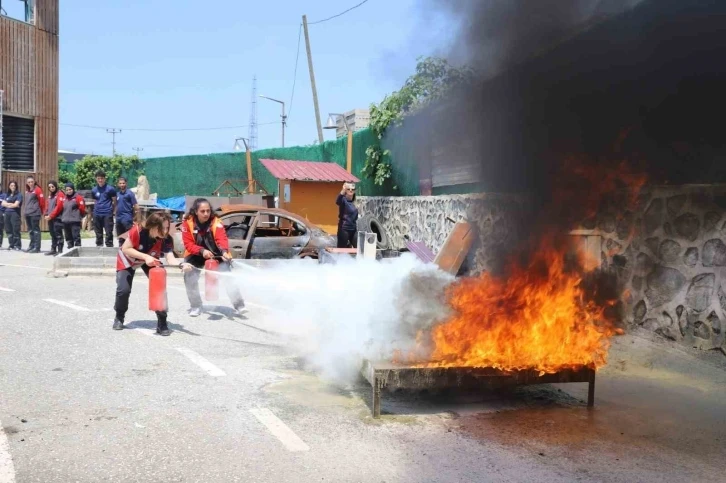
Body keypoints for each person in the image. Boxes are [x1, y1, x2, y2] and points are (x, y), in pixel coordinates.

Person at [114, 212, 192, 336]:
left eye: (167, 227)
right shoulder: (138, 231)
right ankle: (119, 316)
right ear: (153, 226)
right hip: (129, 258)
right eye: (163, 228)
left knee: (159, 286)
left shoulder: (166, 238)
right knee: (123, 290)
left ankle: (162, 322)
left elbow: (170, 258)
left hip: (150, 259)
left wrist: (181, 265)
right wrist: (145, 257)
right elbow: (126, 248)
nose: (166, 231)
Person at [181, 198, 247, 317]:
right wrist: (202, 251)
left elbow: (221, 239)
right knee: (189, 277)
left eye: (208, 211)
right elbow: (188, 244)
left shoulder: (216, 222)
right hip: (195, 254)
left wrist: (224, 252)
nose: (206, 214)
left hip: (217, 254)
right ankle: (195, 306)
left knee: (229, 278)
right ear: (196, 211)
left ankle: (239, 305)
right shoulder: (187, 223)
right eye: (202, 211)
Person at [49, 182, 86, 249]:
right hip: (65, 221)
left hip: (75, 221)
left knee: (76, 237)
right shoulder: (64, 198)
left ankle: (78, 251)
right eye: (67, 190)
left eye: (70, 189)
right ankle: (70, 251)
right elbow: (61, 208)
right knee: (68, 238)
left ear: (73, 189)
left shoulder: (78, 197)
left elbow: (82, 208)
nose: (69, 191)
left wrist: (79, 216)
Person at [91, 170, 117, 248]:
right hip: (97, 213)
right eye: (98, 178)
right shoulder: (94, 190)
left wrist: (114, 212)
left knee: (109, 232)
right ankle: (99, 246)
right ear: (96, 179)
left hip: (107, 213)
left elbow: (114, 201)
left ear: (105, 179)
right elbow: (95, 201)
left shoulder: (110, 189)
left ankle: (109, 247)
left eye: (102, 178)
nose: (100, 180)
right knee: (98, 232)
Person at [23, 175, 46, 253]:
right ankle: (31, 246)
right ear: (27, 183)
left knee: (36, 230)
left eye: (32, 182)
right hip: (28, 213)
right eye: (29, 182)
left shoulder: (38, 190)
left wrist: (43, 212)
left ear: (34, 181)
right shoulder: (27, 190)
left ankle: (37, 247)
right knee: (30, 230)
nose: (30, 183)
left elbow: (42, 201)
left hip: (35, 213)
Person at [43, 180, 65, 256]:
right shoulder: (50, 195)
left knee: (58, 234)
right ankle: (53, 249)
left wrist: (51, 215)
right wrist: (45, 214)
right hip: (50, 218)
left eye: (52, 186)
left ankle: (60, 250)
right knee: (52, 234)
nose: (51, 188)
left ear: (55, 186)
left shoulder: (60, 194)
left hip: (57, 218)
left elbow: (59, 207)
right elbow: (47, 205)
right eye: (49, 187)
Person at [115, 177, 138, 246]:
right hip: (118, 218)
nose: (122, 185)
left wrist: (135, 218)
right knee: (120, 236)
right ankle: (121, 251)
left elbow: (136, 206)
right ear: (118, 184)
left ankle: (128, 252)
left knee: (128, 237)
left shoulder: (130, 194)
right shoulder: (117, 194)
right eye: (120, 183)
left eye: (123, 183)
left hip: (127, 218)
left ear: (126, 184)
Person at [336, 182, 359, 248]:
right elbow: (337, 201)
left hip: (353, 229)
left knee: (359, 248)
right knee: (341, 251)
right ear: (346, 190)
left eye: (353, 189)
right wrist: (343, 189)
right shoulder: (343, 200)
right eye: (348, 189)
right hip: (344, 229)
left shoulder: (353, 202)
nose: (351, 190)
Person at [2, 181, 23, 251]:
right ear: (9, 186)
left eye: (14, 185)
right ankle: (11, 245)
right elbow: (2, 204)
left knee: (15, 230)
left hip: (15, 214)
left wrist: (8, 204)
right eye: (11, 185)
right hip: (7, 214)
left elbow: (16, 205)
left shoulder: (19, 195)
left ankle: (17, 245)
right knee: (8, 230)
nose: (13, 187)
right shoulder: (6, 195)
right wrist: (11, 204)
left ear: (16, 186)